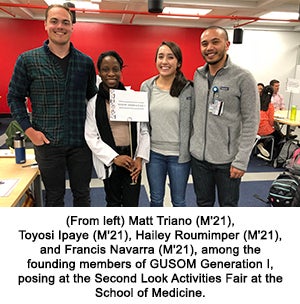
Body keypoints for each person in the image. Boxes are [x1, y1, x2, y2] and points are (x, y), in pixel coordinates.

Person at [7, 4, 98, 207]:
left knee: (83, 195)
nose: (60, 26)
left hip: (80, 143)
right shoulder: (28, 60)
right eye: (54, 21)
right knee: (54, 197)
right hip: (47, 142)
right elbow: (14, 97)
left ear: (72, 26)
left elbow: (93, 99)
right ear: (45, 25)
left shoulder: (85, 62)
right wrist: (30, 131)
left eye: (66, 22)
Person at [190, 26, 259, 207]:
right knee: (203, 204)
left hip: (228, 161)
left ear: (227, 45)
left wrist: (242, 160)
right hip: (199, 160)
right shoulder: (198, 75)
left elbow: (252, 121)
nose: (209, 48)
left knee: (228, 207)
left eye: (215, 42)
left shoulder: (243, 77)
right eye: (204, 44)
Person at [85, 51, 150, 207]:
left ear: (121, 71)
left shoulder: (133, 97)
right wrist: (115, 158)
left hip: (132, 160)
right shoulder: (93, 103)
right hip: (110, 161)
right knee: (113, 202)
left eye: (115, 69)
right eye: (106, 69)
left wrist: (139, 159)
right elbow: (91, 137)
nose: (111, 73)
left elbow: (144, 131)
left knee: (132, 203)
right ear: (99, 72)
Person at [140, 41, 194, 207]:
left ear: (178, 62)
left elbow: (194, 121)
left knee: (178, 201)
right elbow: (142, 122)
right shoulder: (146, 87)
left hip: (180, 155)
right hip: (154, 154)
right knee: (156, 200)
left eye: (170, 57)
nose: (164, 61)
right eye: (160, 56)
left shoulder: (188, 89)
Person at [257, 85, 284, 160]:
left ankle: (261, 144)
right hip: (264, 129)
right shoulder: (270, 106)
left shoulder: (256, 103)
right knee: (278, 136)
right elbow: (271, 121)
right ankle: (268, 150)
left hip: (254, 128)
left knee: (270, 132)